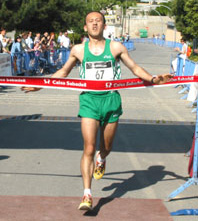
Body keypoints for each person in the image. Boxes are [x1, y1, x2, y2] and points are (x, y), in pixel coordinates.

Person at [21, 11, 173, 211]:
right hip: (89, 101)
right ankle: (87, 194)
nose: (94, 24)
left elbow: (135, 68)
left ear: (104, 26)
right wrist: (40, 84)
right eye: (90, 22)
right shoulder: (78, 50)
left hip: (111, 100)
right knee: (88, 148)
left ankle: (102, 158)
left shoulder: (116, 47)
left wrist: (153, 79)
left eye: (98, 21)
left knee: (106, 147)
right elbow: (63, 73)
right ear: (85, 27)